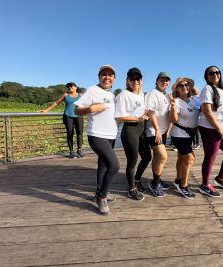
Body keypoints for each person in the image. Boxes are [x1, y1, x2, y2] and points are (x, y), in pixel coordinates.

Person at [74, 64, 119, 215]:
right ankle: (102, 197)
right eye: (104, 74)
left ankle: (99, 191)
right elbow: (77, 109)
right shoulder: (92, 90)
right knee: (114, 165)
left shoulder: (113, 95)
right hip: (96, 135)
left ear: (114, 79)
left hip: (111, 135)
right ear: (99, 77)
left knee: (104, 166)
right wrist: (91, 109)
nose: (107, 77)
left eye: (110, 75)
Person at [198, 66, 223, 198]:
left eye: (217, 72)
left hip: (222, 128)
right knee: (211, 156)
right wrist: (219, 129)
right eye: (211, 73)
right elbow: (207, 111)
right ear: (206, 76)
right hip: (210, 128)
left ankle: (220, 178)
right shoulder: (207, 89)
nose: (214, 75)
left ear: (220, 74)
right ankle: (204, 185)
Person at [115, 68, 149, 200]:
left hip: (141, 129)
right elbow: (119, 116)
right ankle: (131, 189)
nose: (136, 81)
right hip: (130, 130)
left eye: (138, 79)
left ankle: (137, 179)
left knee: (146, 157)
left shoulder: (140, 94)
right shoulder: (123, 94)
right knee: (132, 161)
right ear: (127, 81)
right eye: (132, 79)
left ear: (141, 81)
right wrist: (137, 119)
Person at [143, 72, 172, 197]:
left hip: (163, 131)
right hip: (153, 131)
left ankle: (157, 180)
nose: (164, 82)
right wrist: (158, 130)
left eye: (167, 80)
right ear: (157, 81)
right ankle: (154, 184)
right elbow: (150, 112)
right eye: (162, 80)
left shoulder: (166, 95)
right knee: (163, 156)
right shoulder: (152, 94)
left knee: (157, 157)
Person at [170, 77, 199, 199]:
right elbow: (174, 119)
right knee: (190, 159)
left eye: (186, 85)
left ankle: (177, 180)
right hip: (179, 134)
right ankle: (183, 186)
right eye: (180, 85)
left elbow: (203, 109)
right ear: (177, 88)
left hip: (190, 135)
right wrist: (172, 106)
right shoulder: (176, 101)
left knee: (181, 158)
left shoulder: (194, 100)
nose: (184, 87)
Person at [40, 82, 84, 158]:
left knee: (79, 133)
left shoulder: (81, 95)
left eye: (72, 86)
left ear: (76, 87)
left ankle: (79, 150)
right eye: (69, 87)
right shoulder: (66, 95)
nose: (70, 88)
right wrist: (47, 110)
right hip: (68, 116)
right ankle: (71, 151)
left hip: (78, 116)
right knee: (70, 133)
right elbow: (56, 103)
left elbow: (89, 102)